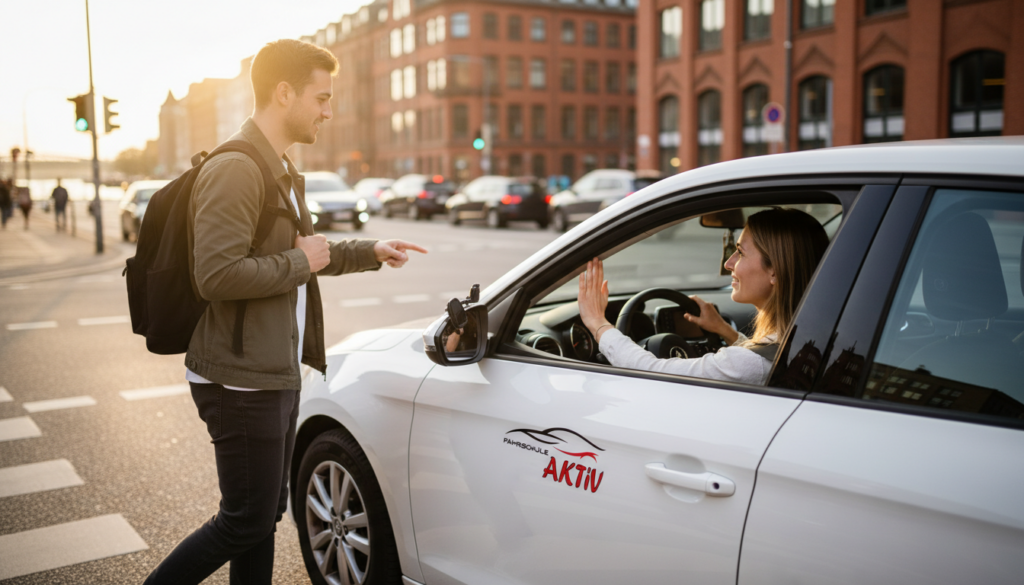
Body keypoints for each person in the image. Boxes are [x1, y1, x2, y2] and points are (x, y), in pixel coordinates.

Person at [143, 39, 427, 585]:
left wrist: (368, 252)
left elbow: (305, 250)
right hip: (238, 380)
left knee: (261, 519)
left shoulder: (277, 167)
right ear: (283, 93)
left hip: (270, 371)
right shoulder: (237, 169)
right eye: (321, 97)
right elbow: (217, 275)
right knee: (242, 520)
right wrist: (299, 260)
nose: (328, 110)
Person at [578, 208, 829, 385]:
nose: (729, 263)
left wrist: (598, 324)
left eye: (740, 253)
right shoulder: (806, 339)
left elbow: (652, 371)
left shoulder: (751, 363)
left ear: (774, 270)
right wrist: (724, 330)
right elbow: (757, 359)